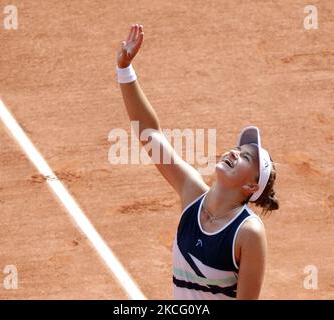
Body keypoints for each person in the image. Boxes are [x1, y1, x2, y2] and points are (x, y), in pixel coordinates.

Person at [115, 24, 279, 300]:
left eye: (245, 157)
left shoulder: (248, 233)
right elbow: (150, 134)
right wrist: (125, 69)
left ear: (251, 186)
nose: (234, 153)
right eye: (238, 149)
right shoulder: (192, 194)